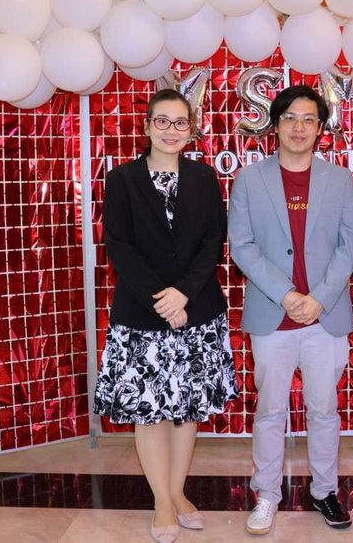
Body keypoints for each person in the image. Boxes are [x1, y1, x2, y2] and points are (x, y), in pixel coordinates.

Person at [94, 88, 238, 543]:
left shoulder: (204, 177)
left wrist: (184, 295)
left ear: (191, 130)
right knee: (151, 411)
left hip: (198, 311)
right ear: (147, 126)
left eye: (180, 123)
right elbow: (119, 246)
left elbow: (213, 242)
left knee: (187, 408)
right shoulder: (122, 179)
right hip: (143, 313)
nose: (171, 130)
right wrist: (163, 300)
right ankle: (161, 501)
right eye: (162, 121)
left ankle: (177, 492)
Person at [227, 85, 353, 535]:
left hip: (325, 316)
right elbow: (243, 247)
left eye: (308, 119)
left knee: (323, 410)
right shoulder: (250, 179)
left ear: (320, 128)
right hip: (273, 316)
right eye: (289, 118)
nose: (298, 127)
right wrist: (287, 295)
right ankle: (267, 494)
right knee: (270, 411)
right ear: (275, 125)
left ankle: (325, 491)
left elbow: (350, 245)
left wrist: (318, 297)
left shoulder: (338, 179)